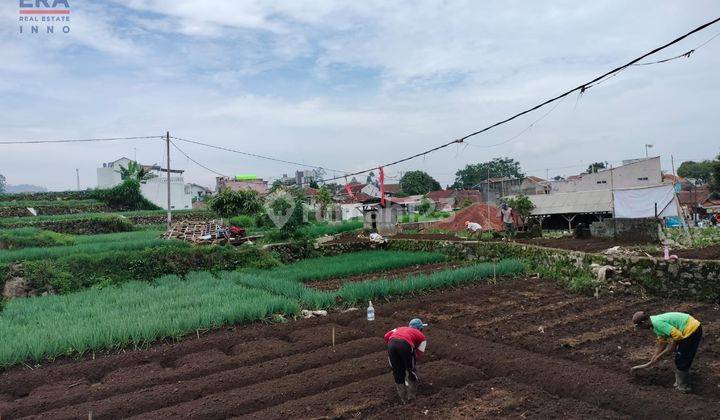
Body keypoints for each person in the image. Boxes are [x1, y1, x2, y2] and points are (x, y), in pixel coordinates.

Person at [630, 311, 703, 392]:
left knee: (681, 360)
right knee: (680, 359)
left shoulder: (658, 323)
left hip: (691, 330)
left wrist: (671, 348)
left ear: (644, 322)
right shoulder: (653, 324)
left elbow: (678, 335)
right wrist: (654, 357)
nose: (643, 329)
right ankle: (679, 382)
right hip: (687, 329)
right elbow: (662, 341)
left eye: (641, 326)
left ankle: (684, 387)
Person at [384, 318, 428, 403]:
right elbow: (418, 353)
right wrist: (409, 362)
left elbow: (386, 336)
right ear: (420, 328)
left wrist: (393, 347)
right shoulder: (421, 336)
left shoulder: (399, 328)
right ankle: (411, 398)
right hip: (405, 344)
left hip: (391, 344)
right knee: (411, 371)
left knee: (397, 371)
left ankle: (403, 400)